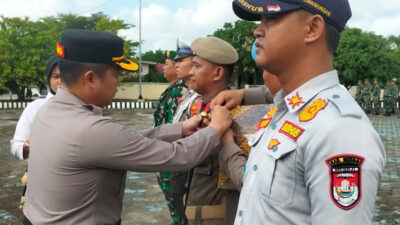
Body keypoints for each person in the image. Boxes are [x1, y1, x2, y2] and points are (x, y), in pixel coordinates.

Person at [23, 29, 232, 225]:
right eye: (116, 76)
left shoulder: (48, 112)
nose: (118, 84)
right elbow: (178, 156)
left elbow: (126, 139)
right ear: (90, 78)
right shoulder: (91, 130)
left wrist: (180, 128)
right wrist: (216, 129)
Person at [212, 0, 386, 224]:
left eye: (271, 18)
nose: (257, 30)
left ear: (312, 29)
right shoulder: (285, 111)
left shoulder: (340, 129)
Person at [184, 36, 238, 225]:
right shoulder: (204, 109)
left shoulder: (233, 116)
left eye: (196, 66)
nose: (189, 72)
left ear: (217, 73)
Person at [10, 55, 61, 160]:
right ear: (49, 79)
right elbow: (16, 145)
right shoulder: (34, 108)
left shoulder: (83, 106)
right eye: (56, 77)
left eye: (66, 77)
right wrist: (25, 148)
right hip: (40, 172)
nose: (61, 81)